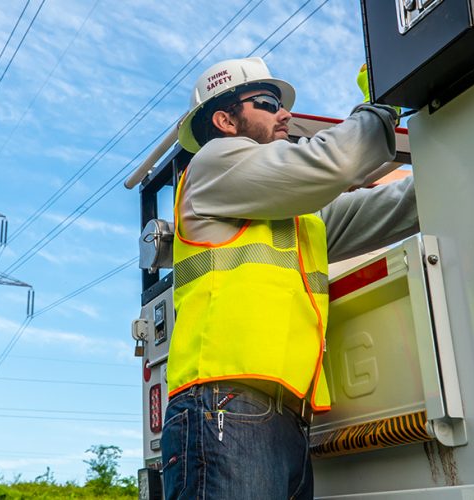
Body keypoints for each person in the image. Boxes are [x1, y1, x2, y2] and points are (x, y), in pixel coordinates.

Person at [161, 57, 418, 500]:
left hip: (279, 418)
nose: (285, 114)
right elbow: (333, 164)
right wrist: (382, 99)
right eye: (266, 102)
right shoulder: (211, 163)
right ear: (224, 120)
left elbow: (399, 206)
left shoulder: (298, 218)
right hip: (225, 405)